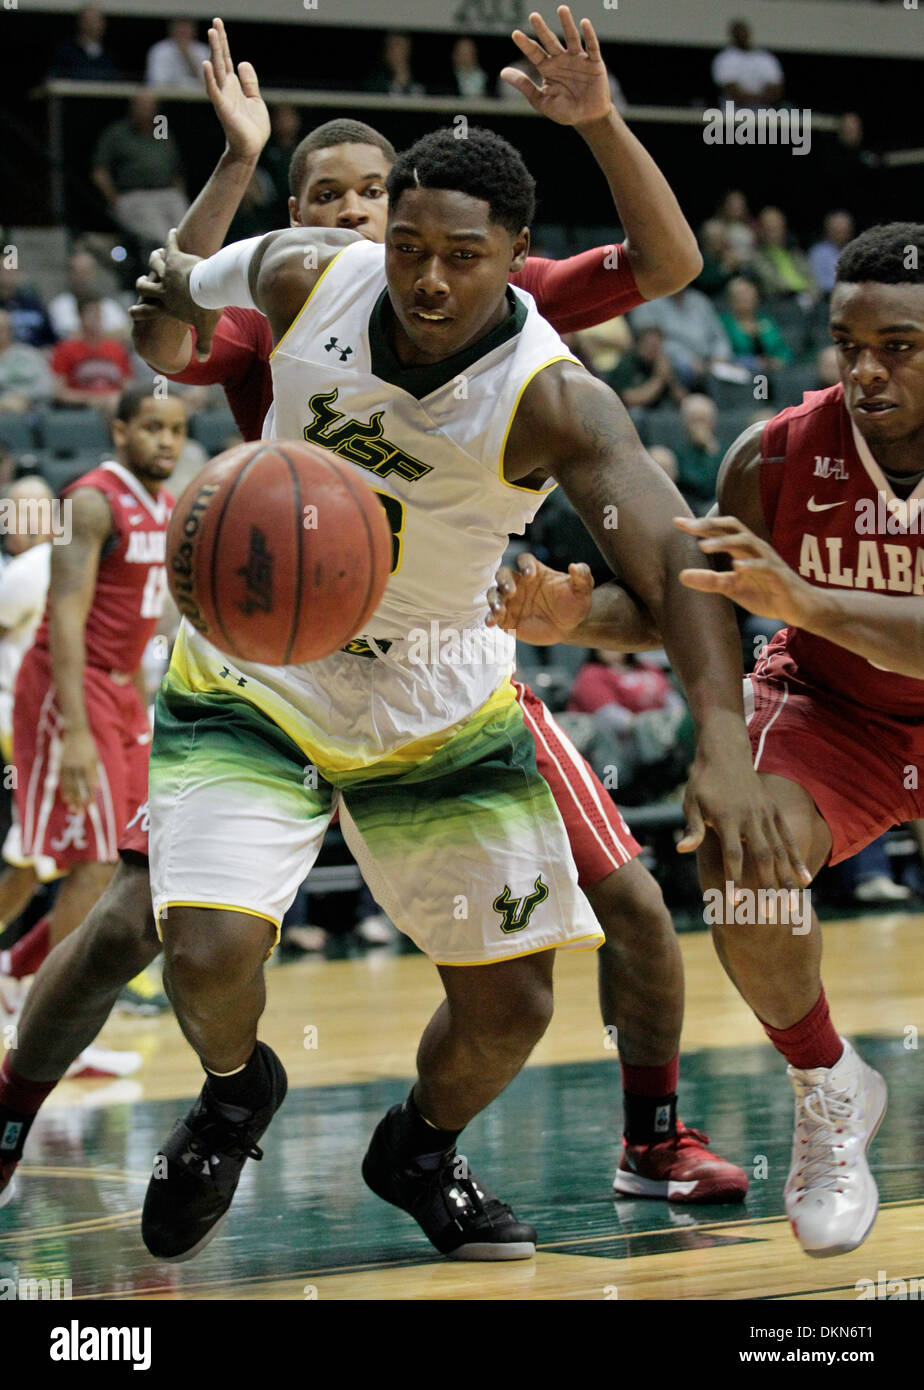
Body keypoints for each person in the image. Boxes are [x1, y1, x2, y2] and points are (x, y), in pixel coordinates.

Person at [0, 12, 753, 1238]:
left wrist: (721, 738)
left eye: (461, 254)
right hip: (258, 671)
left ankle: (422, 1149)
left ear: (517, 253)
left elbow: (673, 565)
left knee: (513, 1002)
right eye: (405, 245)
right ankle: (238, 1096)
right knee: (193, 945)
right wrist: (181, 272)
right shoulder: (306, 275)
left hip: (438, 686)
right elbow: (175, 307)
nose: (428, 277)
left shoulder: (557, 401)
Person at [492, 221, 924, 1260]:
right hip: (837, 713)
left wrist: (808, 600)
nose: (865, 369)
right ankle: (827, 1085)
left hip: (854, 658)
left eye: (898, 345)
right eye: (846, 343)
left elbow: (801, 602)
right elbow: (690, 603)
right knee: (738, 846)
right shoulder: (772, 455)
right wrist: (576, 619)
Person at [92, 92, 189, 259]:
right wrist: (115, 201)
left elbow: (175, 168)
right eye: (141, 105)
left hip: (167, 194)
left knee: (188, 233)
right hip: (135, 197)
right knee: (162, 238)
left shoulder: (161, 130)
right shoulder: (118, 133)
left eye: (150, 106)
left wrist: (179, 192)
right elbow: (99, 171)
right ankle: (168, 278)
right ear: (133, 107)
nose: (145, 110)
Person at [630, 286, 732, 388]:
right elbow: (649, 343)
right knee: (686, 370)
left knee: (745, 365)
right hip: (676, 362)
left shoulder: (699, 299)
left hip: (712, 360)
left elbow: (719, 335)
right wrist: (688, 359)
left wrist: (720, 356)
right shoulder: (648, 300)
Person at [50, 297, 134, 412]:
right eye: (91, 314)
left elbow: (128, 387)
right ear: (80, 317)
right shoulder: (65, 349)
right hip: (80, 407)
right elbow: (59, 392)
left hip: (113, 403)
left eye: (99, 314)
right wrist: (91, 399)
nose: (96, 319)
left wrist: (113, 399)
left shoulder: (117, 349)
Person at [48, 250, 131, 342]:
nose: (82, 278)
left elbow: (127, 333)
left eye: (86, 272)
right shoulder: (61, 304)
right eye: (78, 272)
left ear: (95, 274)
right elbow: (71, 336)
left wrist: (90, 335)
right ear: (70, 274)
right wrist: (110, 334)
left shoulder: (109, 305)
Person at [720, 276, 792, 374]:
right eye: (740, 295)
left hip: (774, 371)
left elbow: (782, 348)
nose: (745, 298)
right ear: (731, 299)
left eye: (748, 293)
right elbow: (725, 354)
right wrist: (754, 363)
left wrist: (779, 360)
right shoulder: (724, 323)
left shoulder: (766, 320)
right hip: (741, 372)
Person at [748, 207, 818, 303]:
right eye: (768, 226)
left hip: (808, 299)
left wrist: (812, 294)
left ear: (783, 227)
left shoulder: (795, 252)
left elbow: (812, 278)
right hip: (781, 302)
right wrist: (798, 294)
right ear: (761, 229)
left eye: (776, 224)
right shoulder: (756, 255)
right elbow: (772, 281)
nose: (773, 228)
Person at [609, 324, 687, 409]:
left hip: (662, 410)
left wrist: (670, 379)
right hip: (634, 412)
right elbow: (630, 400)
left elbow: (682, 400)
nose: (654, 350)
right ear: (639, 344)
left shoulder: (663, 363)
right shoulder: (627, 364)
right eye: (651, 345)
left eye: (658, 345)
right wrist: (659, 379)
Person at [711, 20, 784, 109]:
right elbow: (734, 94)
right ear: (732, 35)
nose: (742, 35)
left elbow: (776, 92)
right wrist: (762, 97)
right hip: (734, 115)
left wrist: (751, 97)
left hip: (764, 115)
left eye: (743, 32)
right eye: (738, 32)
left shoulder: (766, 58)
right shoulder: (724, 58)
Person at [0, 310, 54, 413]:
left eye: (2, 329)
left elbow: (47, 387)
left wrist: (26, 398)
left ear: (10, 331)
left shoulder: (30, 355)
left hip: (30, 413)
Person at [48, 6, 117, 81]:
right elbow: (54, 78)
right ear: (81, 23)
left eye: (97, 21)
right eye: (89, 21)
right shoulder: (66, 52)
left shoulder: (108, 56)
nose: (93, 25)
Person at [0, 265, 56, 351]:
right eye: (2, 271)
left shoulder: (33, 305)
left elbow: (51, 339)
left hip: (35, 356)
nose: (6, 277)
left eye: (10, 272)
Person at [145, 19, 209, 89]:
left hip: (198, 96)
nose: (183, 32)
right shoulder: (160, 49)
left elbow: (206, 82)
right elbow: (157, 81)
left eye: (186, 29)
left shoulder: (203, 50)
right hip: (168, 95)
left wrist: (187, 56)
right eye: (180, 29)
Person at [808, 211, 855, 297]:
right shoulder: (818, 252)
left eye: (845, 229)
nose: (842, 233)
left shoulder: (855, 251)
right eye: (837, 229)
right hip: (829, 298)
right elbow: (819, 282)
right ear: (828, 230)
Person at [368, 32, 425, 97]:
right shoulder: (374, 83)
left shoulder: (423, 79)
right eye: (392, 47)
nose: (397, 51)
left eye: (401, 46)